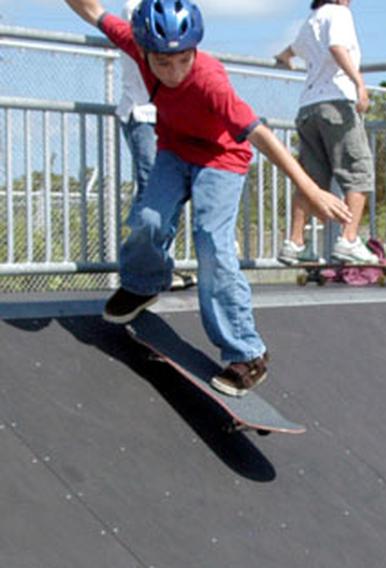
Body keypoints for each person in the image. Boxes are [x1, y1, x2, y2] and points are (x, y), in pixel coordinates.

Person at [64, 0, 352, 397]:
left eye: (182, 60)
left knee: (212, 244)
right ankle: (144, 283)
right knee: (148, 220)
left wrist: (311, 188)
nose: (174, 72)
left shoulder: (210, 81)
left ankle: (247, 353)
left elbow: (263, 137)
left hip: (222, 159)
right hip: (175, 151)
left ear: (194, 50)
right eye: (162, 64)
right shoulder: (134, 42)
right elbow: (94, 12)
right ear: (144, 50)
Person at [274, 0, 378, 265]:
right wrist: (360, 84)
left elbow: (287, 53)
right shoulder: (339, 13)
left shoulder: (312, 19)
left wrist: (284, 60)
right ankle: (349, 239)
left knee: (311, 179)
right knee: (359, 170)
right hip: (336, 104)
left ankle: (295, 243)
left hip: (308, 108)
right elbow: (337, 47)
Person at [117, 0, 195, 291]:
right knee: (152, 192)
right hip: (143, 111)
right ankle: (146, 272)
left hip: (163, 114)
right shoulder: (138, 8)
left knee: (164, 195)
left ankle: (154, 268)